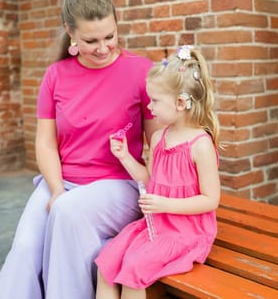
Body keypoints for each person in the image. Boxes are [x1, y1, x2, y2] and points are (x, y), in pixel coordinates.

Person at [0, 0, 160, 299]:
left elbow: (159, 141)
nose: (103, 48)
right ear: (71, 33)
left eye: (110, 36)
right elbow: (45, 143)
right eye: (91, 41)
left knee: (67, 213)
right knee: (25, 248)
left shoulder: (141, 72)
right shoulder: (55, 75)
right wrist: (55, 189)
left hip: (118, 184)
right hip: (62, 181)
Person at [94, 45, 221, 299]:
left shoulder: (200, 145)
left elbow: (210, 200)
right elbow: (149, 179)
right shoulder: (160, 137)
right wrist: (125, 157)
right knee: (105, 263)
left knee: (133, 270)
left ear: (181, 103)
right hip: (155, 226)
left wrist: (165, 204)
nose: (149, 106)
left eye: (155, 100)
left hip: (186, 233)